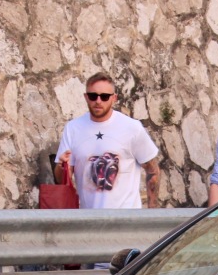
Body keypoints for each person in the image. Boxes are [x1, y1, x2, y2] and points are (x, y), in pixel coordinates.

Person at [54, 72, 161, 209]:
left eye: (104, 97)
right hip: (88, 221)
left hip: (126, 221)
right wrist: (61, 166)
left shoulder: (132, 128)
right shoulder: (73, 129)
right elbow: (61, 181)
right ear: (86, 97)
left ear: (114, 98)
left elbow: (153, 171)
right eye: (93, 96)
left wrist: (152, 213)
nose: (98, 101)